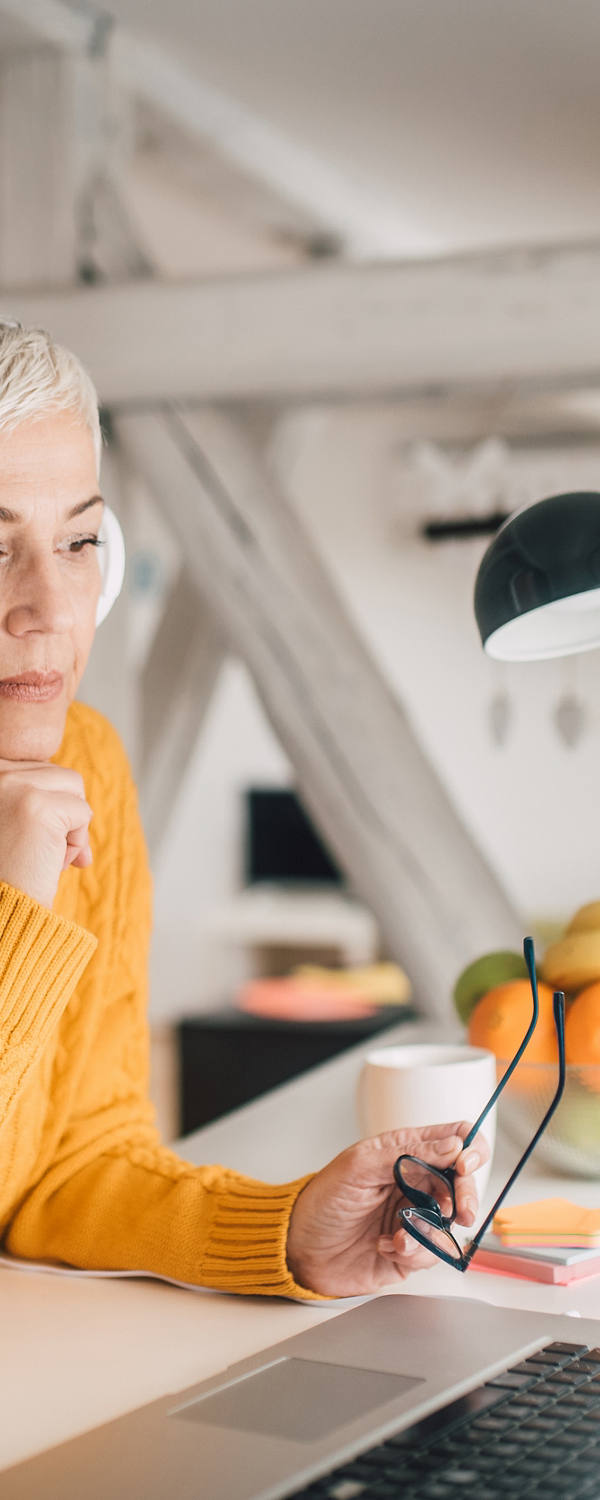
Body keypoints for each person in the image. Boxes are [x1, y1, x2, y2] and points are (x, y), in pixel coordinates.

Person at [0, 324, 488, 1300]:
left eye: (79, 542)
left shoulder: (89, 769)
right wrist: (15, 909)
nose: (49, 606)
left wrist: (292, 1230)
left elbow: (74, 1160)